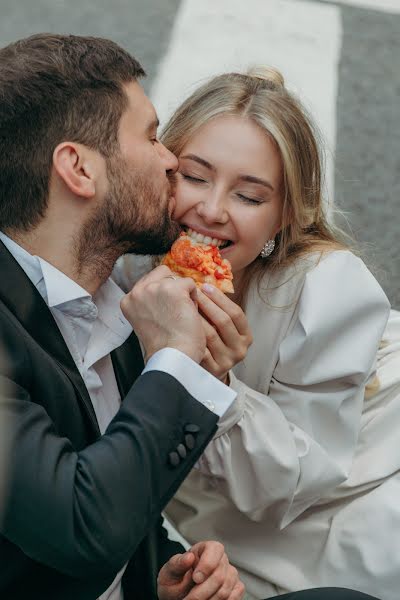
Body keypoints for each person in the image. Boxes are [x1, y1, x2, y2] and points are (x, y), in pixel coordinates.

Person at [122, 67, 398, 599]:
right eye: (195, 176)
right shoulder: (134, 262)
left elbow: (291, 485)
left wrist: (215, 383)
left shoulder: (326, 291)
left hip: (341, 480)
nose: (210, 209)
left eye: (249, 197)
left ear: (284, 218)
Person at [0, 33, 247, 600]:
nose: (172, 161)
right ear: (79, 169)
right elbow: (80, 525)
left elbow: (117, 499)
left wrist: (161, 574)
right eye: (152, 136)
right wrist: (178, 360)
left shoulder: (114, 301)